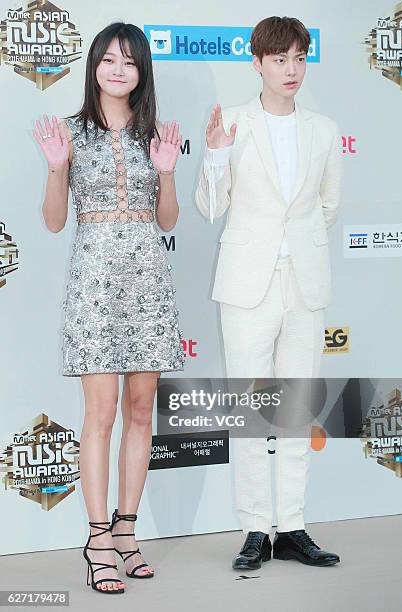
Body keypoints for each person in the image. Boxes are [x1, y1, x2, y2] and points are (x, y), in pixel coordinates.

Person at [33, 22, 184, 594]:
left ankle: (127, 530)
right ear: (94, 65)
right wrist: (56, 167)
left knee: (141, 411)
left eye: (130, 61)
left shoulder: (155, 134)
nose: (118, 70)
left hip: (148, 279)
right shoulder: (70, 132)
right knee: (100, 414)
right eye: (109, 60)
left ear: (142, 70)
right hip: (94, 284)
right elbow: (52, 222)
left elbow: (168, 220)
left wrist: (166, 172)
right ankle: (97, 539)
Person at [195, 16, 341, 570]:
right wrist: (212, 156)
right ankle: (256, 528)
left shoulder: (325, 130)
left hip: (304, 283)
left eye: (300, 58)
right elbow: (211, 206)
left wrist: (295, 245)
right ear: (256, 63)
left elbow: (328, 207)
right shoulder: (231, 123)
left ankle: (295, 527)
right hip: (246, 286)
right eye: (280, 59)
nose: (292, 70)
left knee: (297, 407)